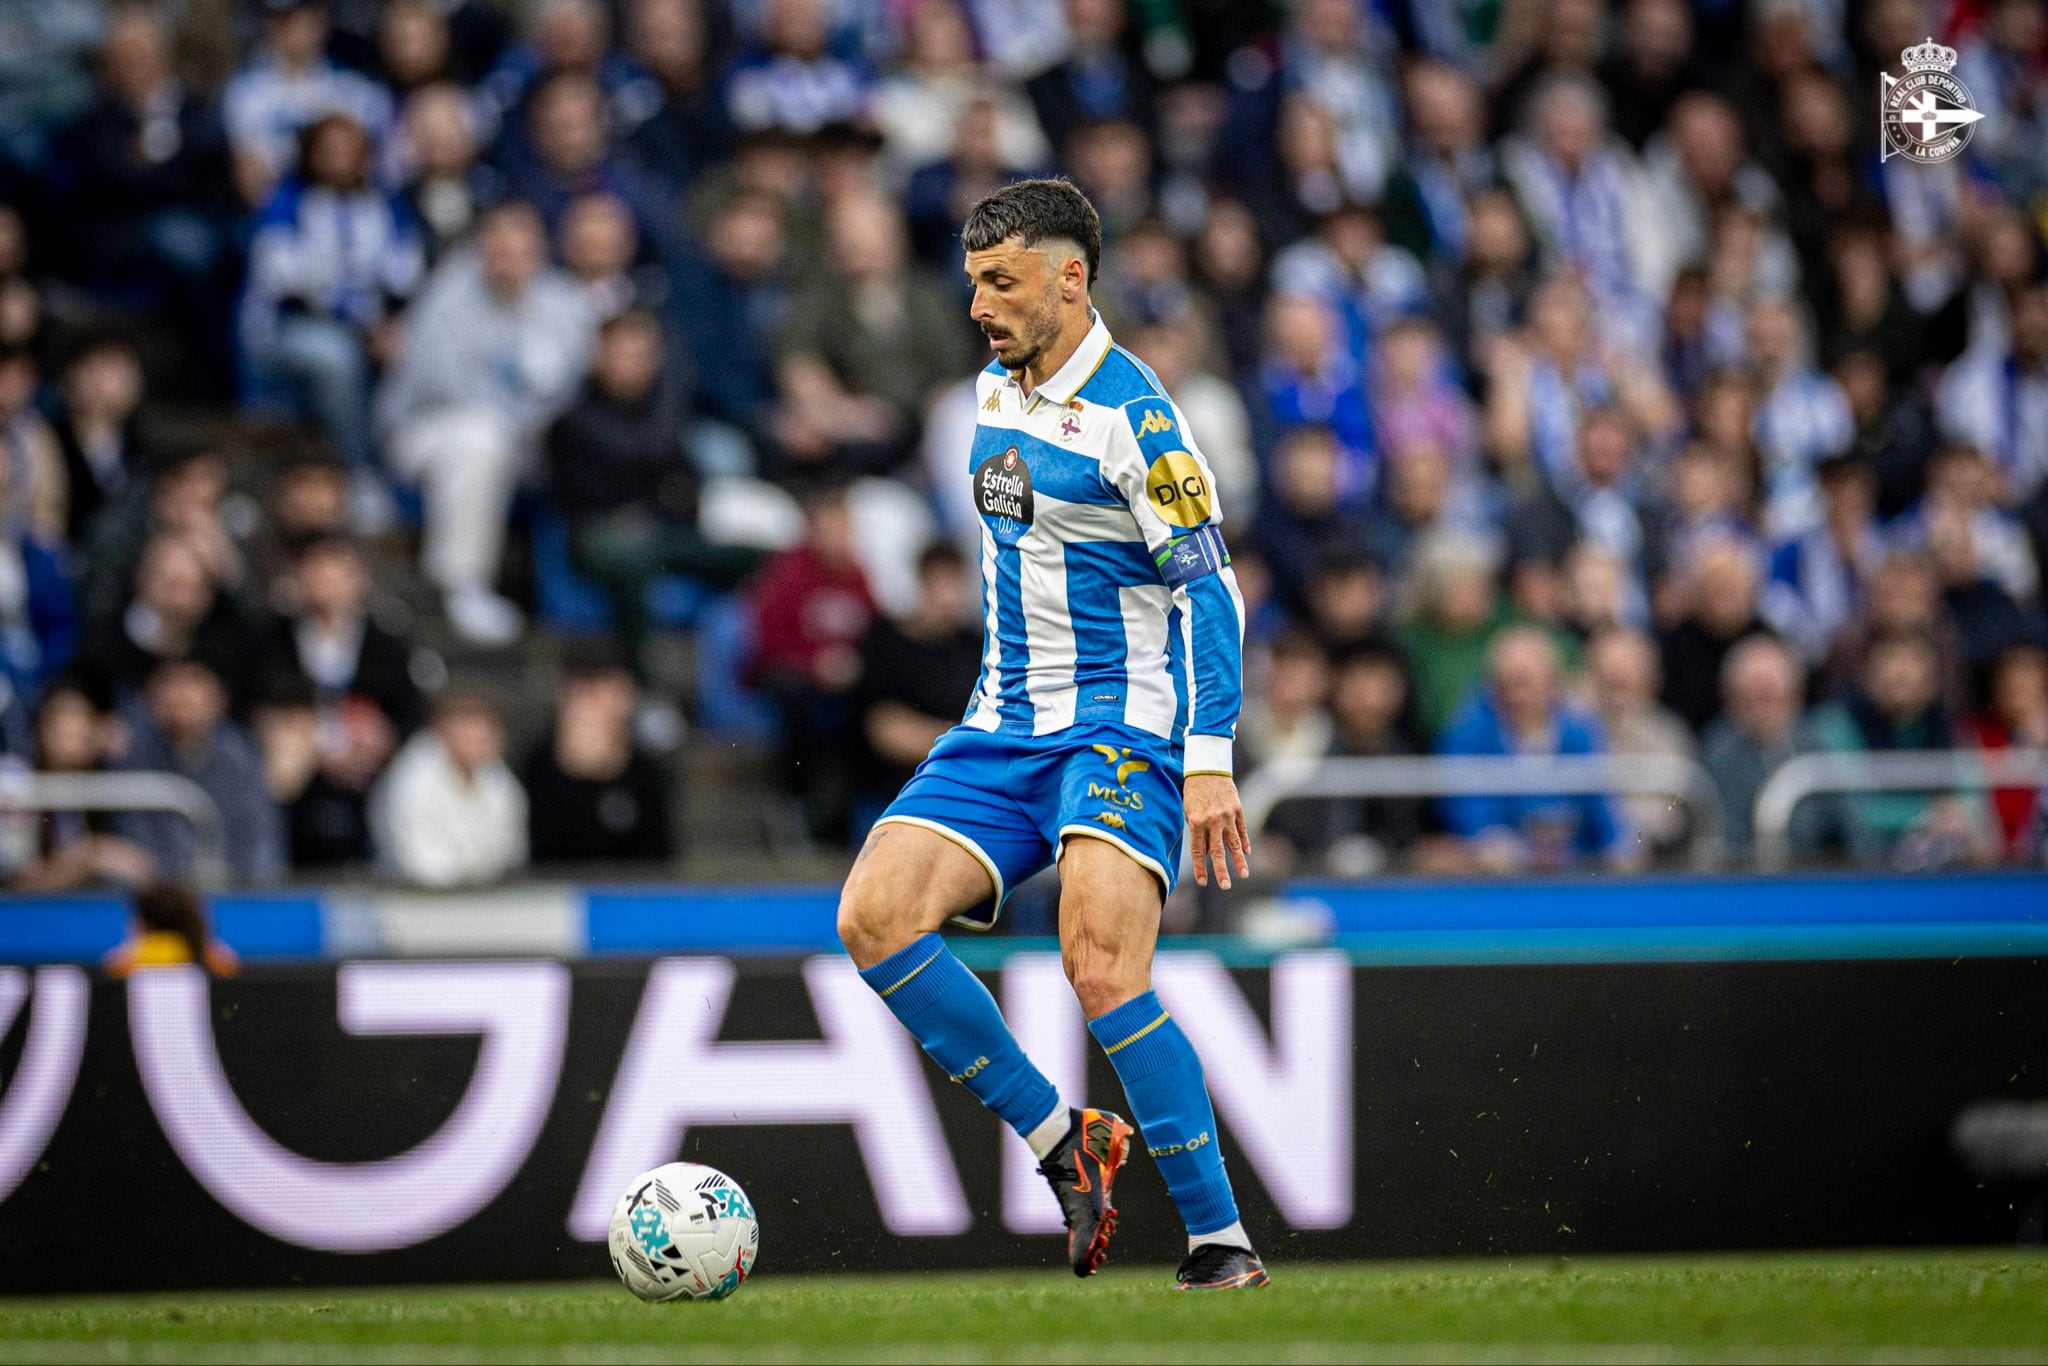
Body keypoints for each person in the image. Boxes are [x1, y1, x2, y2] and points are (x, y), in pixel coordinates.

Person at [835, 180, 1268, 1292]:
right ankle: (1061, 1141)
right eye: (972, 280)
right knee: (872, 915)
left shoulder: (1142, 420)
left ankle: (1219, 1239)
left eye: (1001, 281)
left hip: (1121, 730)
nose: (977, 304)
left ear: (1070, 280)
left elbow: (1209, 594)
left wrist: (1208, 763)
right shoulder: (992, 388)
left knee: (1099, 963)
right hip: (1001, 727)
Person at [375, 200, 595, 645]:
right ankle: (460, 584)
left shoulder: (565, 302)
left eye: (521, 243)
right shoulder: (448, 295)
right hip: (427, 431)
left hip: (531, 442)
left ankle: (579, 604)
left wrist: (539, 426)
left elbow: (574, 384)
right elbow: (443, 387)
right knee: (482, 436)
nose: (509, 253)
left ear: (540, 248)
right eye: (498, 241)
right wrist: (524, 423)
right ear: (481, 245)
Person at [113, 659, 287, 883]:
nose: (182, 694)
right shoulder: (133, 755)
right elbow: (135, 846)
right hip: (165, 897)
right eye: (172, 681)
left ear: (220, 696)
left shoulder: (241, 755)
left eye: (194, 680)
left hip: (236, 898)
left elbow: (262, 844)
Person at [522, 651, 673, 865]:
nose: (589, 708)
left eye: (598, 693)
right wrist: (572, 767)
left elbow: (659, 854)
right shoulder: (538, 764)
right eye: (581, 694)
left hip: (627, 890)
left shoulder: (647, 771)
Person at [370, 685, 527, 886]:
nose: (475, 733)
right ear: (440, 726)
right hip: (413, 901)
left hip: (486, 900)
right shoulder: (412, 776)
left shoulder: (497, 777)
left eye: (482, 722)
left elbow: (511, 853)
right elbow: (420, 865)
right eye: (465, 721)